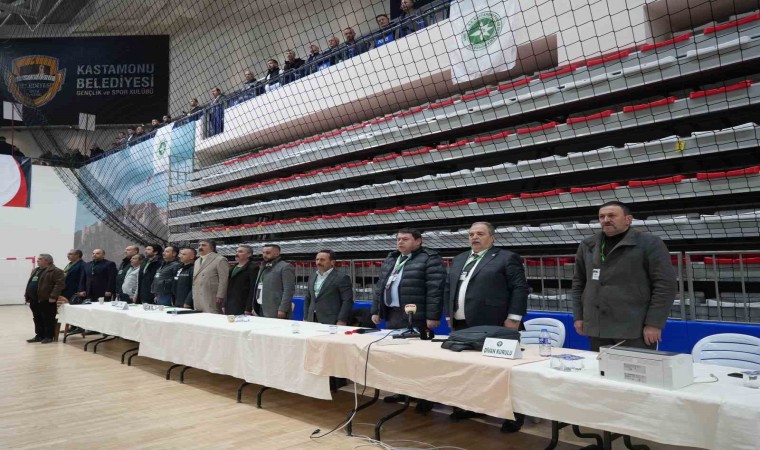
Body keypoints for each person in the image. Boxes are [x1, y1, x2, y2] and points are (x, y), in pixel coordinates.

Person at [444, 222, 529, 429]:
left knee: (502, 370)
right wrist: (449, 314)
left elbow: (519, 288)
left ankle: (514, 415)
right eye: (471, 234)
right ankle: (472, 406)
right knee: (468, 369)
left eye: (480, 234)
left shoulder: (506, 257)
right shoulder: (460, 258)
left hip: (495, 322)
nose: (474, 237)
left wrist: (514, 317)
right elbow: (449, 288)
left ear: (492, 238)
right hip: (462, 323)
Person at [572, 201, 677, 352]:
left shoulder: (649, 243)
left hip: (634, 329)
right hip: (597, 327)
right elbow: (579, 283)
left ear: (628, 219)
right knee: (600, 367)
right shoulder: (587, 245)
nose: (606, 220)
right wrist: (578, 316)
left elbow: (665, 285)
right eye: (602, 216)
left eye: (612, 215)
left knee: (635, 367)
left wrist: (654, 324)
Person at [372, 228, 445, 413]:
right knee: (397, 358)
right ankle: (402, 391)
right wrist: (376, 310)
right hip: (393, 313)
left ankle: (425, 397)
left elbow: (435, 289)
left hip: (417, 316)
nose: (400, 242)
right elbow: (380, 286)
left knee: (420, 360)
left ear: (418, 241)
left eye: (405, 239)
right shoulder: (392, 258)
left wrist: (433, 316)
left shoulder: (430, 258)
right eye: (398, 239)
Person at [303, 249, 353, 325]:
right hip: (311, 318)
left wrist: (341, 320)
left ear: (332, 262)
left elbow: (347, 301)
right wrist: (305, 317)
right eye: (317, 259)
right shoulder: (312, 276)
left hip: (331, 320)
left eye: (322, 260)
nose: (318, 262)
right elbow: (308, 297)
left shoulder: (342, 277)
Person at [25, 254, 65, 344]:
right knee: (37, 318)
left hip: (47, 299)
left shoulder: (56, 271)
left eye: (40, 259)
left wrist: (53, 296)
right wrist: (27, 295)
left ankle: (48, 336)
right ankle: (39, 335)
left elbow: (59, 285)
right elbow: (31, 283)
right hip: (34, 299)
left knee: (48, 319)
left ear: (47, 261)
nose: (37, 260)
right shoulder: (36, 270)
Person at [251, 244, 295, 318]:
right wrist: (254, 306)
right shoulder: (263, 266)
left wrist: (283, 309)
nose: (264, 255)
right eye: (263, 252)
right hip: (260, 307)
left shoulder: (285, 267)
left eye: (268, 253)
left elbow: (289, 290)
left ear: (277, 254)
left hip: (275, 309)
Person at [192, 239, 229, 314]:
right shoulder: (197, 261)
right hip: (197, 295)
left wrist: (220, 295)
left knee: (212, 316)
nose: (200, 247)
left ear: (212, 247)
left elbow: (223, 279)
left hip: (211, 295)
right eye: (199, 245)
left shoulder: (220, 259)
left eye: (203, 245)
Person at [226, 245, 258, 315]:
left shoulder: (253, 268)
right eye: (236, 251)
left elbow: (253, 289)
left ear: (249, 255)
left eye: (240, 252)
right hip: (230, 303)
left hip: (243, 304)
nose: (237, 254)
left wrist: (248, 308)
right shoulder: (232, 268)